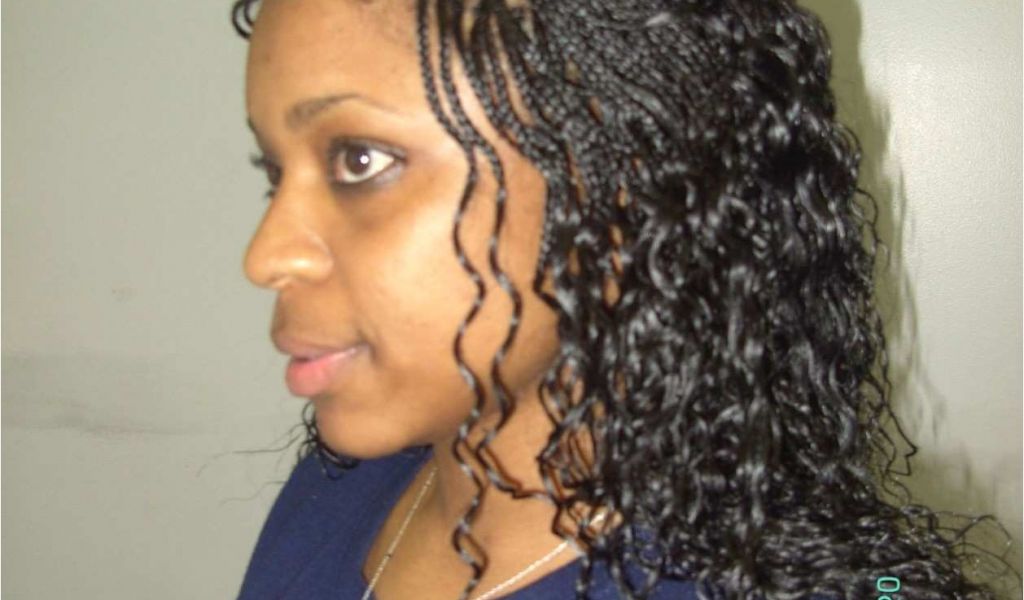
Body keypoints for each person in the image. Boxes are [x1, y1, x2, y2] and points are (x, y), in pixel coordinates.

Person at [229, 0, 1014, 598]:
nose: (266, 255)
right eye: (275, 173)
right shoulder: (340, 489)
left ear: (627, 188)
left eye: (361, 160)